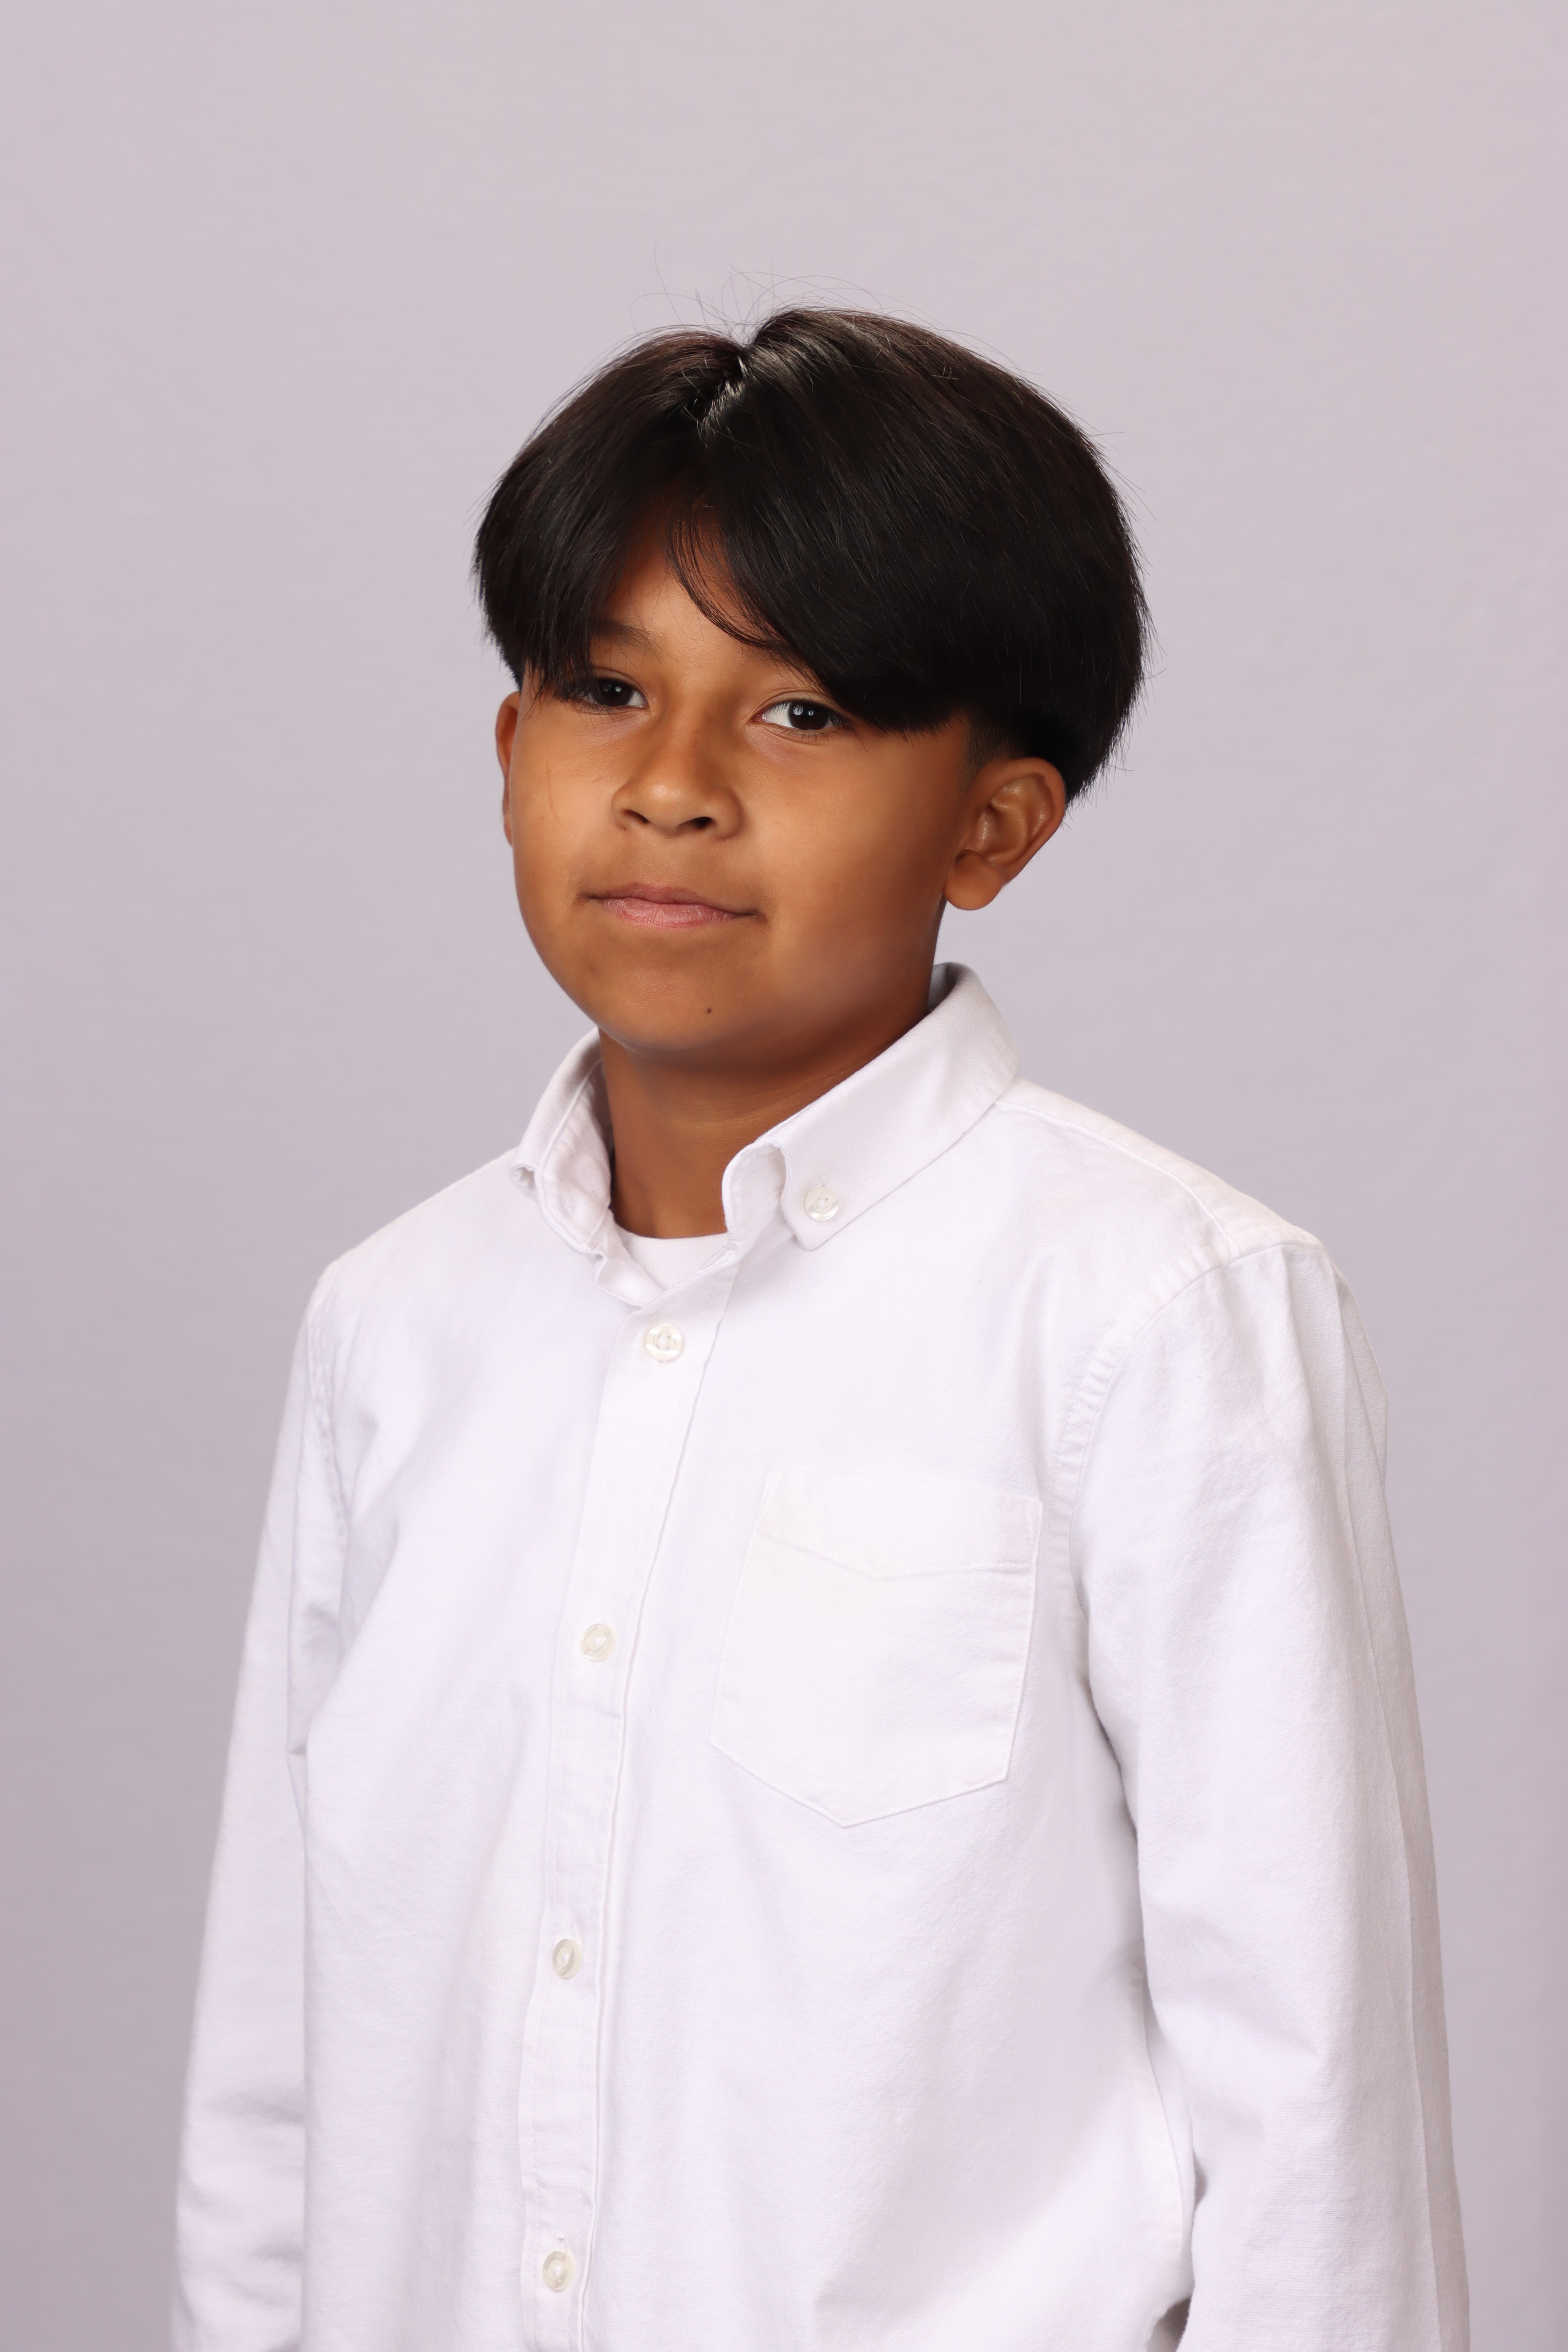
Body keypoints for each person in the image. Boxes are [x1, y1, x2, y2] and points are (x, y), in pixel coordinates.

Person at [172, 309, 1467, 2352]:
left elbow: (1318, 2127)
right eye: (607, 689)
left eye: (799, 713)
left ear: (991, 826)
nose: (671, 790)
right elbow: (280, 2067)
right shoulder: (395, 1329)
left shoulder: (1157, 1316)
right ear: (510, 753)